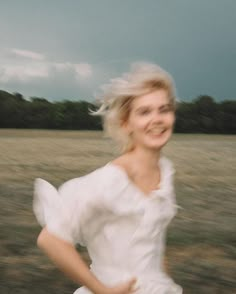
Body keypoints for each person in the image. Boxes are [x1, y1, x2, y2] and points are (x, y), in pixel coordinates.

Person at [33, 62, 183, 294]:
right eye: (144, 112)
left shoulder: (165, 171)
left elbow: (153, 245)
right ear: (126, 123)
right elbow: (50, 240)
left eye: (164, 109)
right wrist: (101, 290)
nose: (157, 119)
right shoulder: (110, 181)